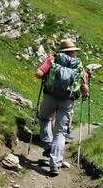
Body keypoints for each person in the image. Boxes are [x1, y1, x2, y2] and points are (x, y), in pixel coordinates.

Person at [35, 39, 89, 176]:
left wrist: (48, 76)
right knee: (60, 132)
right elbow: (84, 88)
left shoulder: (53, 59)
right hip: (67, 101)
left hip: (50, 97)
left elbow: (38, 74)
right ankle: (55, 165)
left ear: (61, 50)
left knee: (44, 118)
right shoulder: (78, 65)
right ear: (73, 52)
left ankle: (47, 146)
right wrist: (85, 94)